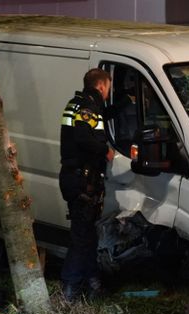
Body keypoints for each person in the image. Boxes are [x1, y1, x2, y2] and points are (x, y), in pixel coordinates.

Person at [58, 68, 116, 302]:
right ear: (101, 86)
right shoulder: (87, 107)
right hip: (80, 181)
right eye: (109, 88)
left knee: (88, 236)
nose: (108, 92)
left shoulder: (78, 104)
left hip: (78, 179)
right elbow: (83, 137)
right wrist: (105, 151)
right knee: (81, 237)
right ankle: (69, 290)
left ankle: (92, 283)